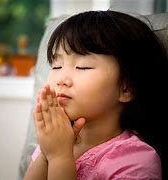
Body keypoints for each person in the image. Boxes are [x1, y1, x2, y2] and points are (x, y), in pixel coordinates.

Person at [23, 10, 168, 180]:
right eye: (56, 66)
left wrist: (59, 157)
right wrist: (46, 154)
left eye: (83, 67)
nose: (61, 79)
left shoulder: (136, 161)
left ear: (126, 88)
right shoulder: (55, 138)